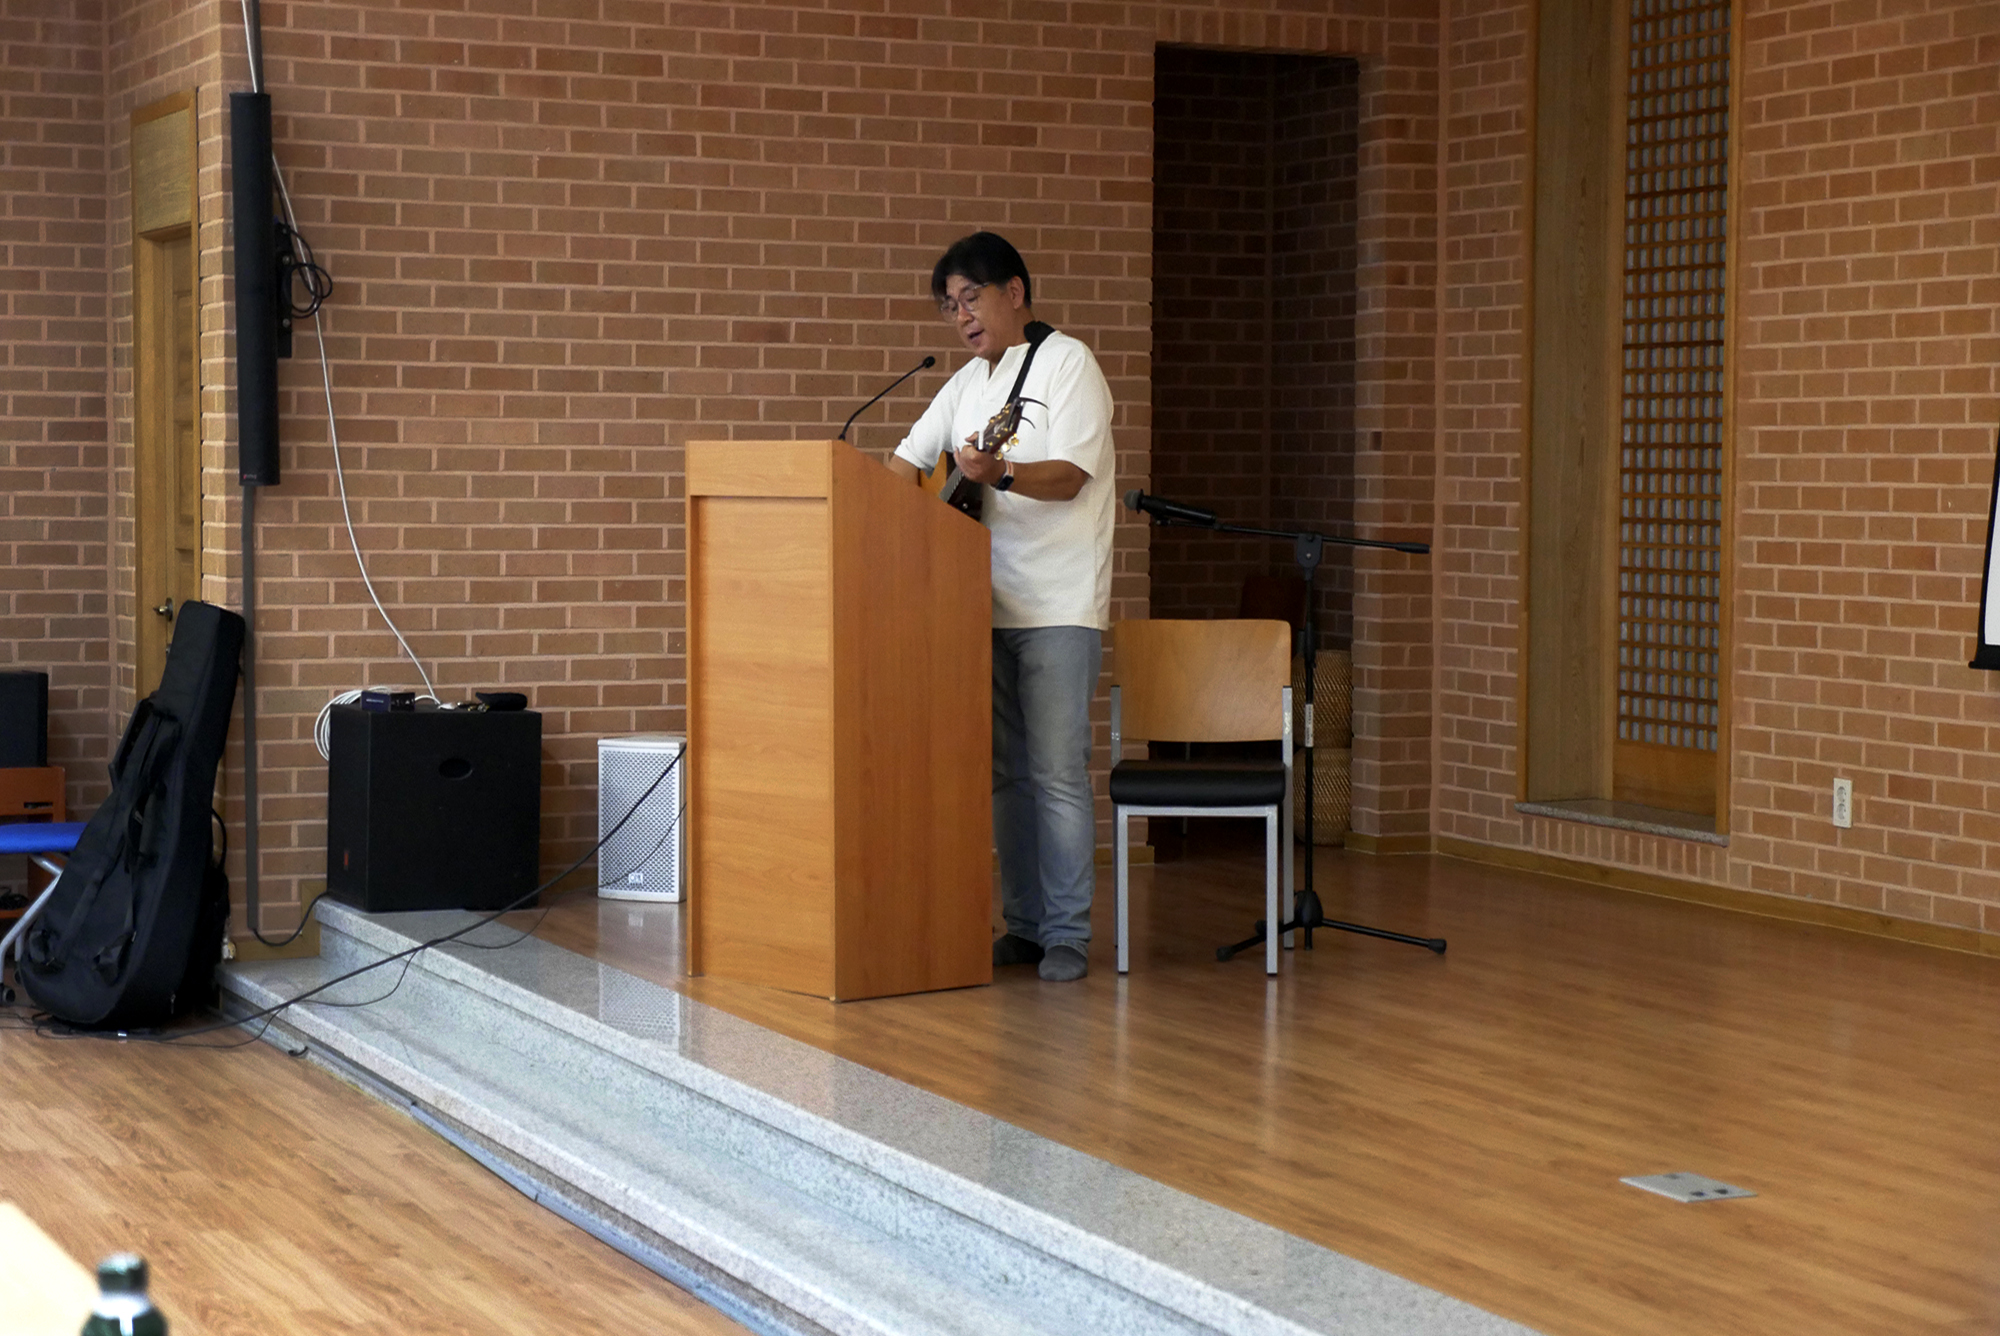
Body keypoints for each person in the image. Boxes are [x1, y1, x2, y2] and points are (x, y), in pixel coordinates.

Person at [887, 232, 1115, 983]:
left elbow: (1072, 476)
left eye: (971, 298)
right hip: (980, 605)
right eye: (950, 306)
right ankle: (1024, 926)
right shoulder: (966, 383)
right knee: (1007, 776)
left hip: (1057, 604)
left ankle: (1068, 934)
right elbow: (905, 463)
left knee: (1056, 773)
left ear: (1014, 292)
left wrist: (1004, 474)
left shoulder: (1068, 363)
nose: (961, 317)